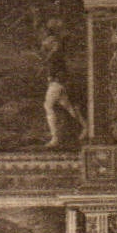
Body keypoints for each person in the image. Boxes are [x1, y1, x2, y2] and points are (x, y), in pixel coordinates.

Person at [39, 19, 87, 148]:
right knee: (68, 106)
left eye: (49, 42)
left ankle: (55, 138)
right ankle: (86, 128)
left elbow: (57, 67)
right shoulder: (54, 51)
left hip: (57, 83)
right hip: (58, 82)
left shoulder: (56, 51)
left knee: (48, 106)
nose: (46, 44)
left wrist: (54, 78)